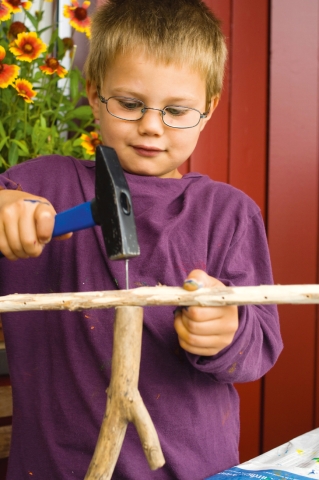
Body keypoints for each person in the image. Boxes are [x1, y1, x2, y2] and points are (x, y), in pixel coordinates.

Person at [0, 0, 283, 479]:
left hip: (192, 469)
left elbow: (260, 348)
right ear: (93, 92)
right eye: (130, 104)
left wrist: (227, 332)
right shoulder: (40, 185)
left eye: (176, 110)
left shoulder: (228, 214)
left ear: (208, 108)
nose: (151, 125)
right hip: (57, 469)